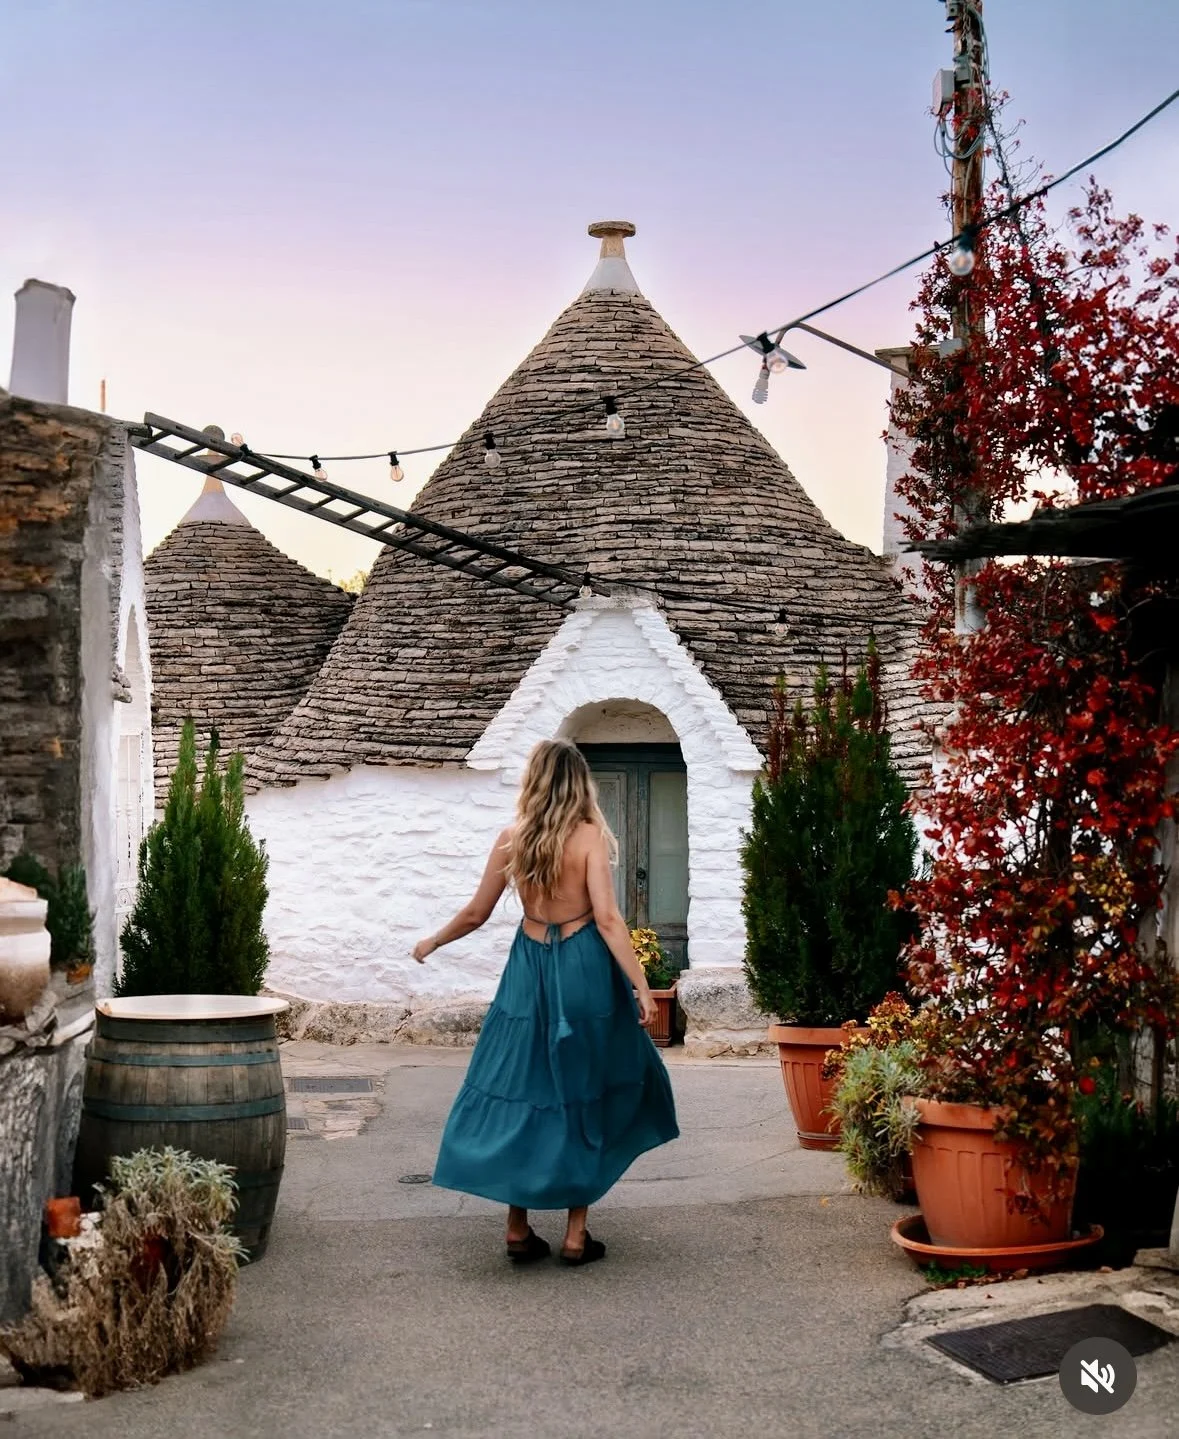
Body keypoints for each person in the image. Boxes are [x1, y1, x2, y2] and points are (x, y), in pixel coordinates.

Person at [412, 738, 679, 1266]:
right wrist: (642, 987)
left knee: (523, 1085)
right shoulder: (588, 838)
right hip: (582, 968)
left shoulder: (514, 838)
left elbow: (476, 913)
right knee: (587, 1087)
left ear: (534, 781)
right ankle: (577, 1235)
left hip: (527, 968)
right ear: (580, 784)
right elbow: (607, 919)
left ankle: (518, 1228)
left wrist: (433, 941)